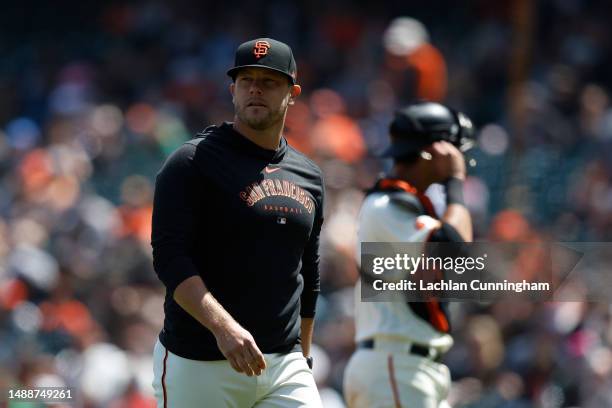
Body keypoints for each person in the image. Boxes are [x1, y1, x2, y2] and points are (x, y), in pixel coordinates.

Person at [151, 38, 324, 408]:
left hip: (283, 366)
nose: (256, 89)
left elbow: (307, 272)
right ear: (233, 90)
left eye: (269, 81)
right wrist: (222, 326)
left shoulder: (308, 175)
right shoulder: (191, 162)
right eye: (247, 80)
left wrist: (304, 359)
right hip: (200, 361)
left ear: (293, 93)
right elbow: (169, 257)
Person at [343, 101, 475, 408]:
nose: (459, 157)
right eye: (452, 150)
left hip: (403, 367)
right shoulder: (386, 205)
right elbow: (454, 246)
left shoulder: (400, 204)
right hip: (395, 365)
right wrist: (455, 182)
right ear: (433, 151)